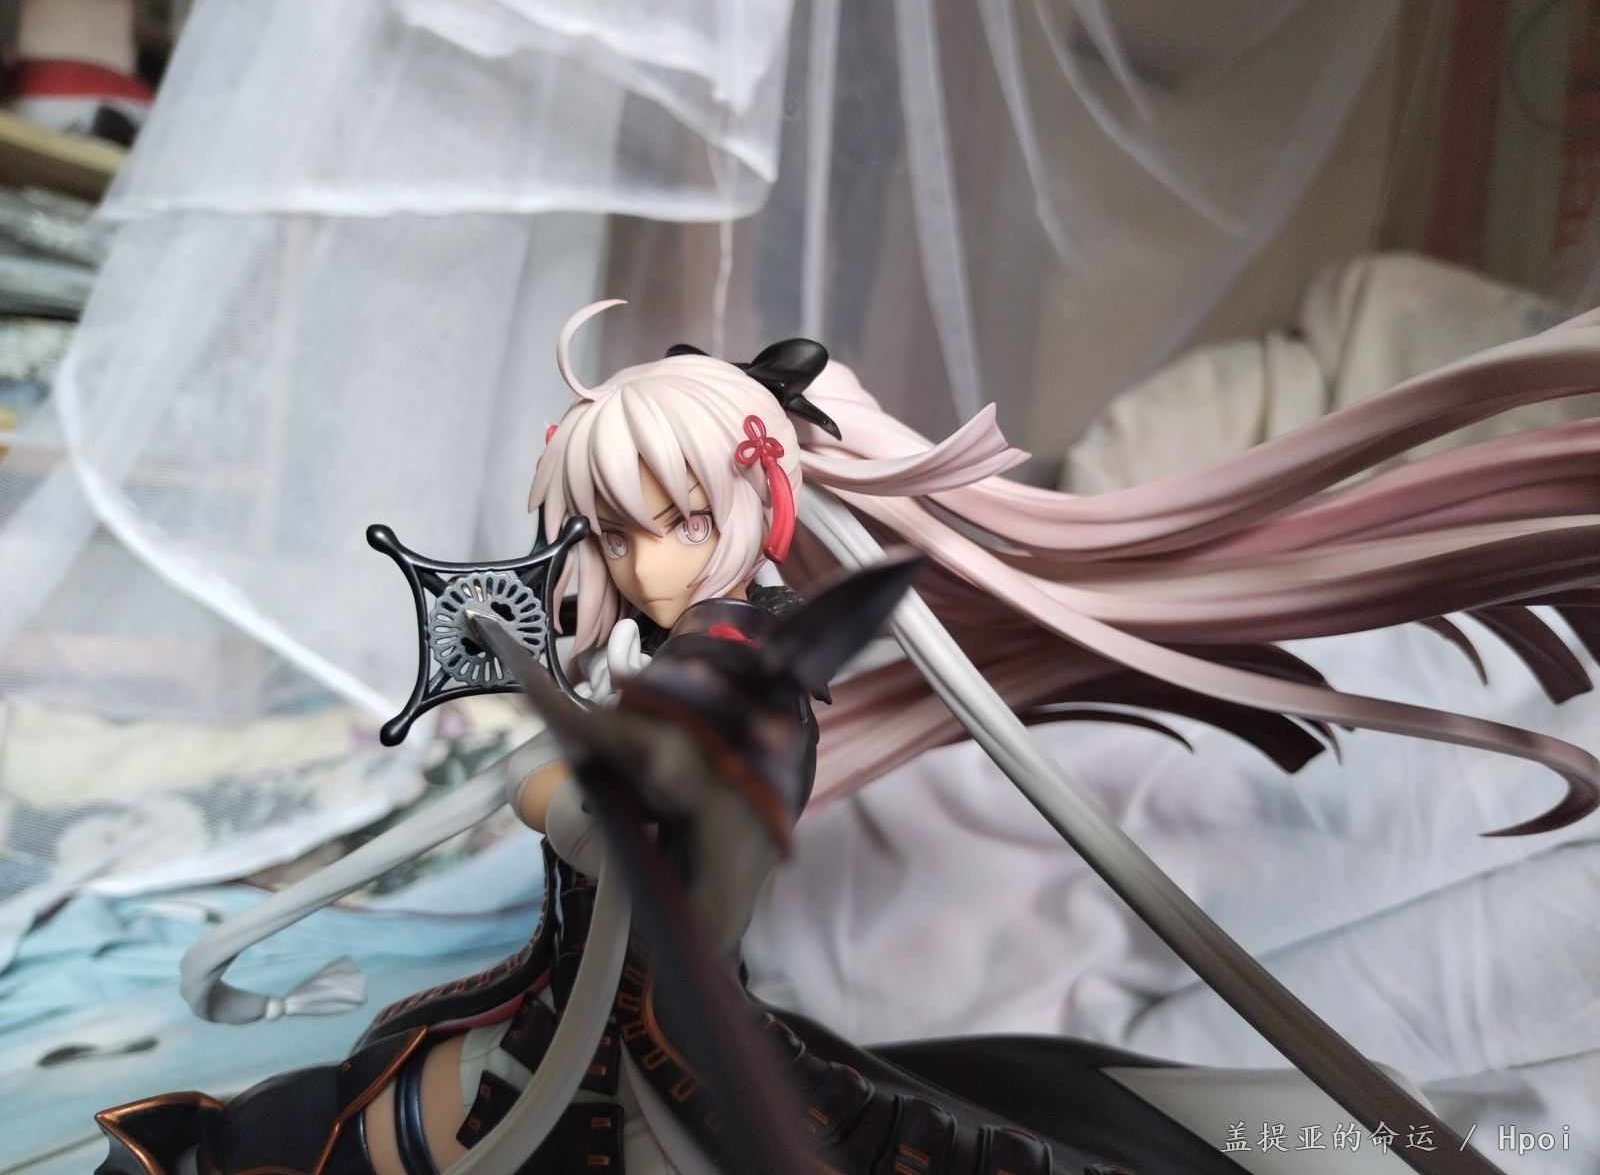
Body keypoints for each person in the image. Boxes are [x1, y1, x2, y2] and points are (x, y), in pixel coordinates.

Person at [97, 301, 1600, 1175]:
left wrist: (579, 784)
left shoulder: (747, 669)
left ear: (750, 510)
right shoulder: (658, 649)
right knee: (345, 1111)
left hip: (656, 1053)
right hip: (562, 1025)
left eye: (671, 520)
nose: (640, 558)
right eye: (612, 528)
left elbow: (710, 816)